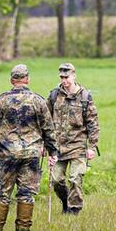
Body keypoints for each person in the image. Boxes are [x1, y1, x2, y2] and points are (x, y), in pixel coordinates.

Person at [0, 64, 58, 231]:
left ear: (11, 80)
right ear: (28, 79)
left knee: (1, 194)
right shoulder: (38, 101)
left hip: (6, 154)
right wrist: (53, 151)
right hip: (31, 155)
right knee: (26, 193)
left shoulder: (2, 100)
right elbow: (49, 128)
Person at [47, 63, 99, 214]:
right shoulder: (54, 95)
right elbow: (46, 120)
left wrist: (92, 147)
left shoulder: (84, 96)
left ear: (74, 75)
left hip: (78, 145)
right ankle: (65, 202)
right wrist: (45, 144)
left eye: (67, 77)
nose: (64, 80)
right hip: (58, 146)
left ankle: (74, 210)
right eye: (62, 77)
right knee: (56, 180)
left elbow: (93, 123)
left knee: (75, 178)